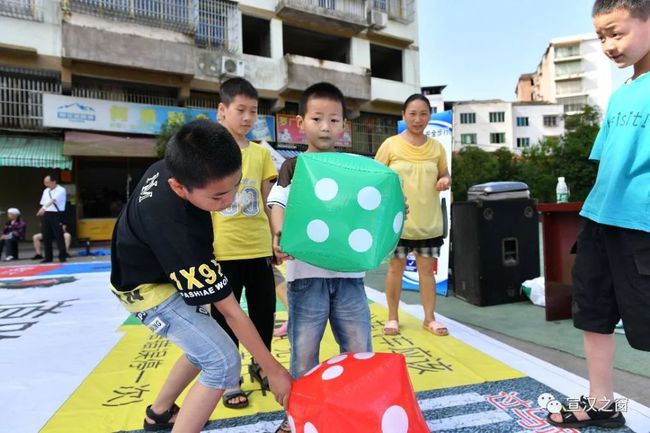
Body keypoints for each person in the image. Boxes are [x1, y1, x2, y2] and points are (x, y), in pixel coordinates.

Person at [109, 120, 291, 432]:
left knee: (207, 345)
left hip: (152, 267)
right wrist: (272, 369)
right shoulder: (182, 236)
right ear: (180, 187)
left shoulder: (171, 166)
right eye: (218, 196)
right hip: (147, 290)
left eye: (235, 186)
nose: (231, 201)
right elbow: (232, 311)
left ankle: (160, 414)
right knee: (223, 361)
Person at [548, 0, 650, 429]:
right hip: (600, 219)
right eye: (601, 36)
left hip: (642, 225)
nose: (608, 44)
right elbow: (606, 160)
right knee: (594, 314)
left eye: (617, 31)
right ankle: (603, 404)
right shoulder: (622, 93)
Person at [268, 82, 372, 433]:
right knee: (304, 354)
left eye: (333, 119)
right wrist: (278, 234)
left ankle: (356, 413)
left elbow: (372, 206)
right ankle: (298, 418)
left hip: (350, 278)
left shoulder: (356, 167)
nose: (325, 126)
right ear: (301, 122)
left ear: (344, 125)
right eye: (317, 118)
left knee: (359, 351)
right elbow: (277, 204)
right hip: (304, 278)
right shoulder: (294, 167)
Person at [208, 77, 278, 409]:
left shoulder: (262, 154)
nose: (248, 118)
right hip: (223, 251)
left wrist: (277, 238)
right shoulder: (208, 153)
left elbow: (268, 202)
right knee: (225, 318)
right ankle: (228, 377)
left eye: (253, 111)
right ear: (222, 111)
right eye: (241, 110)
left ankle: (262, 364)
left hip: (259, 249)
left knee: (264, 313)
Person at [375, 94, 451, 337]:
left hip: (429, 222)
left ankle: (429, 319)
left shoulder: (436, 147)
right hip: (398, 222)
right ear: (403, 116)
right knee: (395, 269)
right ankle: (392, 318)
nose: (418, 119)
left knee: (426, 272)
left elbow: (444, 174)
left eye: (423, 114)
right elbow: (376, 177)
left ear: (430, 116)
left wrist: (444, 180)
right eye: (413, 114)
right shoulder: (390, 145)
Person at [36, 174, 67, 263]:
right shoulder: (46, 191)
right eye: (45, 183)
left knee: (59, 236)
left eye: (48, 182)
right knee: (46, 236)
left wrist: (43, 208)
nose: (46, 184)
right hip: (46, 214)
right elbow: (43, 202)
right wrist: (42, 215)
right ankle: (48, 257)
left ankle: (62, 256)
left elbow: (53, 200)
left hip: (56, 214)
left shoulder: (61, 190)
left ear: (54, 182)